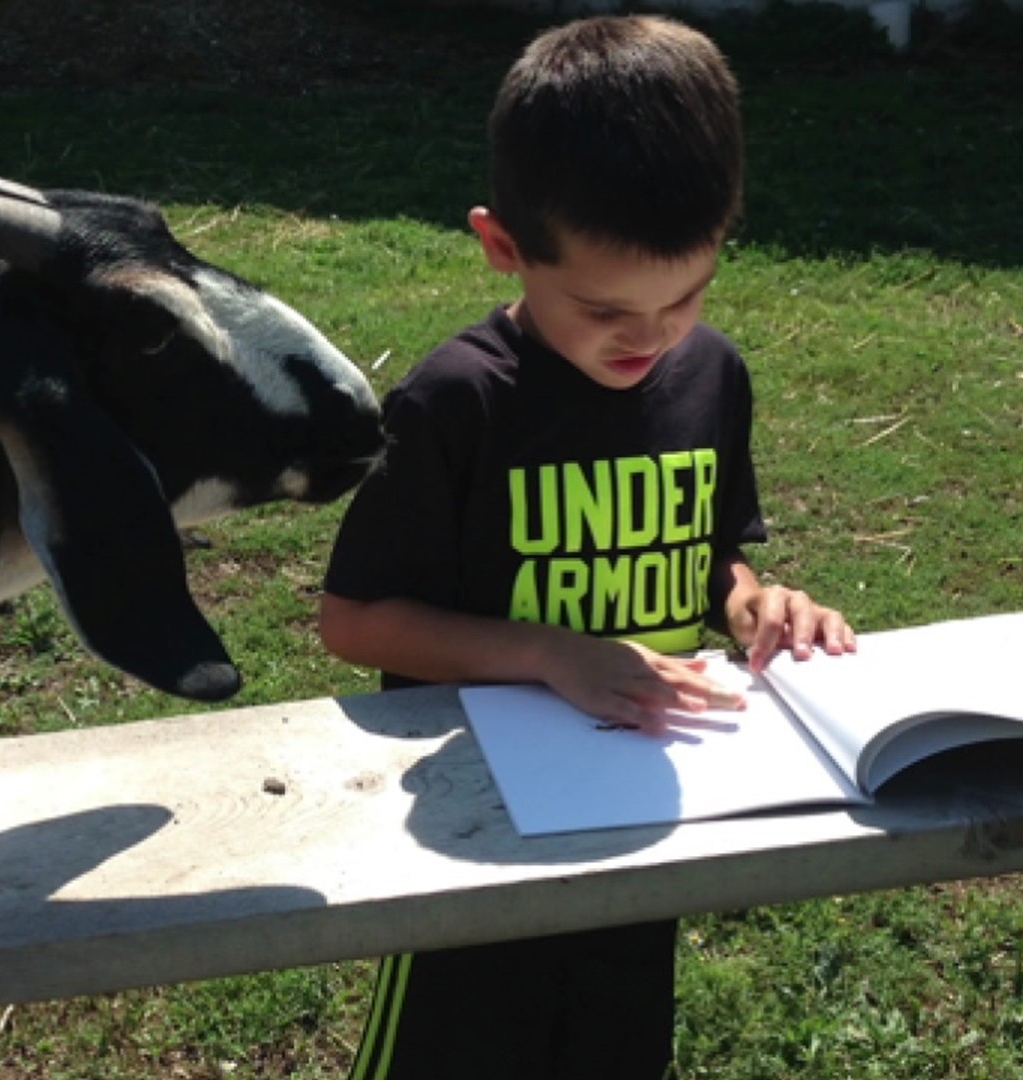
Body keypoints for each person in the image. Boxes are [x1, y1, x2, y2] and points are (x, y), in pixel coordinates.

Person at [319, 15, 857, 1079]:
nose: (651, 337)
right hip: (475, 826)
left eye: (688, 295)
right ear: (504, 247)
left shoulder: (713, 377)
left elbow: (708, 555)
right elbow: (354, 621)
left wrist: (753, 605)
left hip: (646, 815)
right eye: (605, 308)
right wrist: (548, 653)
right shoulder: (456, 401)